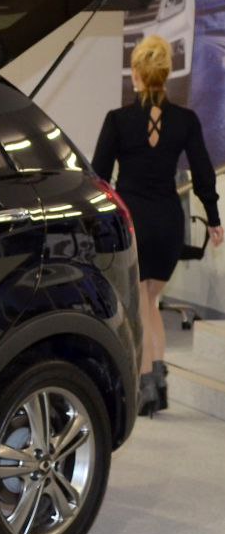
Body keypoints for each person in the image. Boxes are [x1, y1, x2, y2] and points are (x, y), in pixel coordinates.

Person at [92, 35, 223, 416]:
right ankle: (157, 384)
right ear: (165, 75)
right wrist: (214, 220)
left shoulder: (118, 120)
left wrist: (98, 223)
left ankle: (145, 384)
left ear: (136, 73)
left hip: (132, 221)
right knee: (150, 301)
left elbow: (99, 178)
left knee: (140, 304)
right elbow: (203, 174)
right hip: (168, 222)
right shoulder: (186, 120)